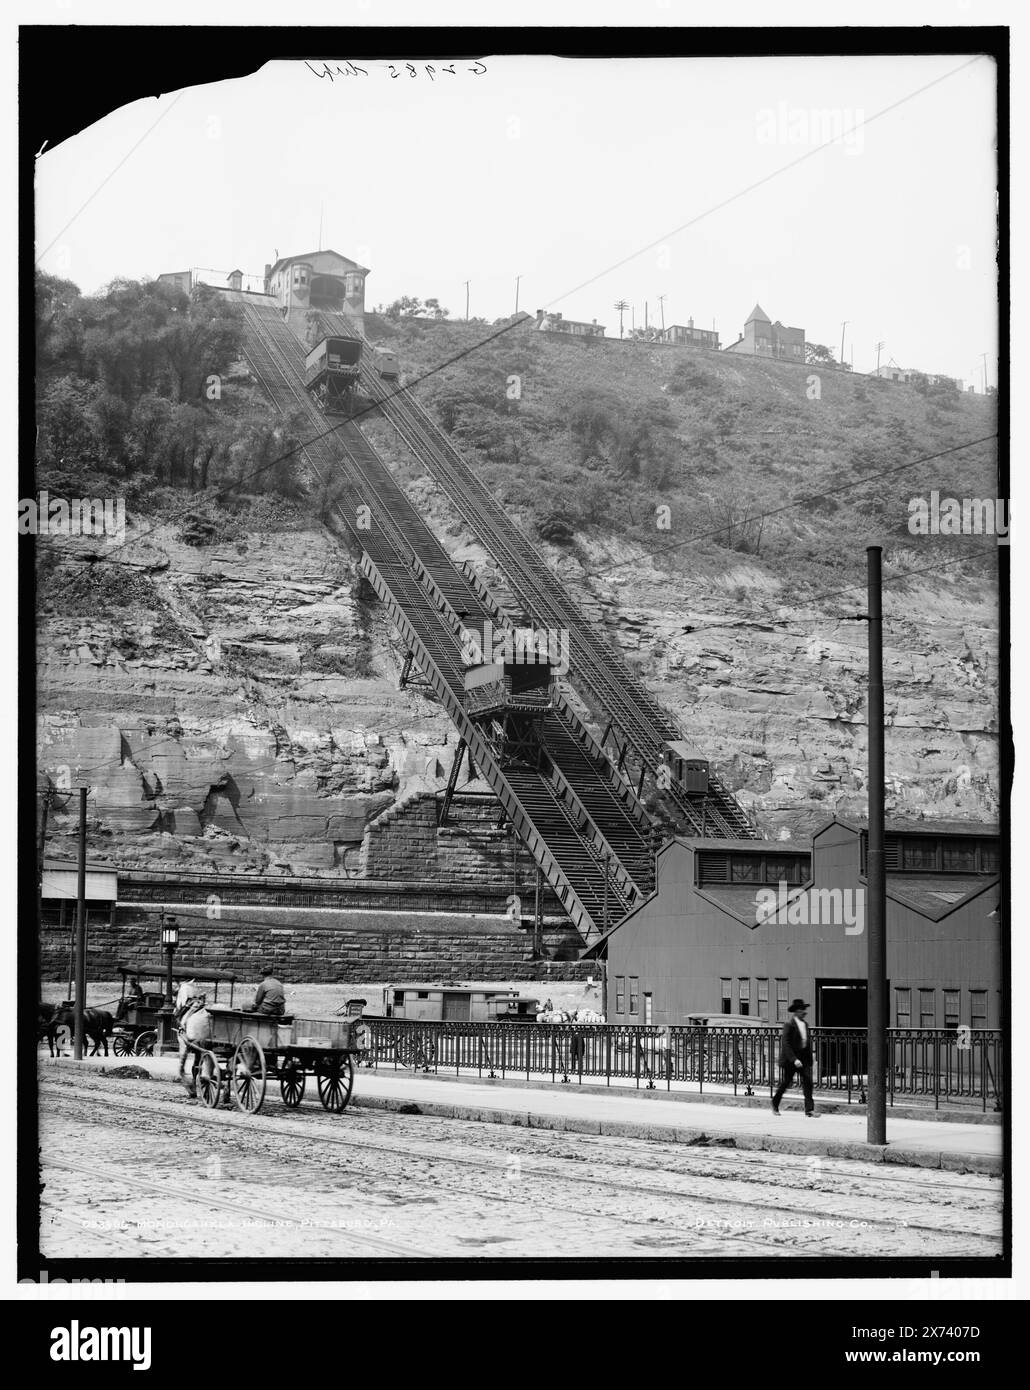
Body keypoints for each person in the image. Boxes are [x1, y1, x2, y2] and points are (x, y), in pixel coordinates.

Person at [772, 998, 817, 1117]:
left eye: (804, 1010)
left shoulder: (805, 1024)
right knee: (786, 1082)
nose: (804, 1012)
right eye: (802, 1010)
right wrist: (794, 1059)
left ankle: (809, 1110)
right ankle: (775, 1103)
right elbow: (786, 1043)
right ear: (797, 1011)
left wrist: (810, 1059)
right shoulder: (789, 1024)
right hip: (791, 1060)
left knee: (808, 1082)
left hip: (803, 1058)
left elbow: (806, 1043)